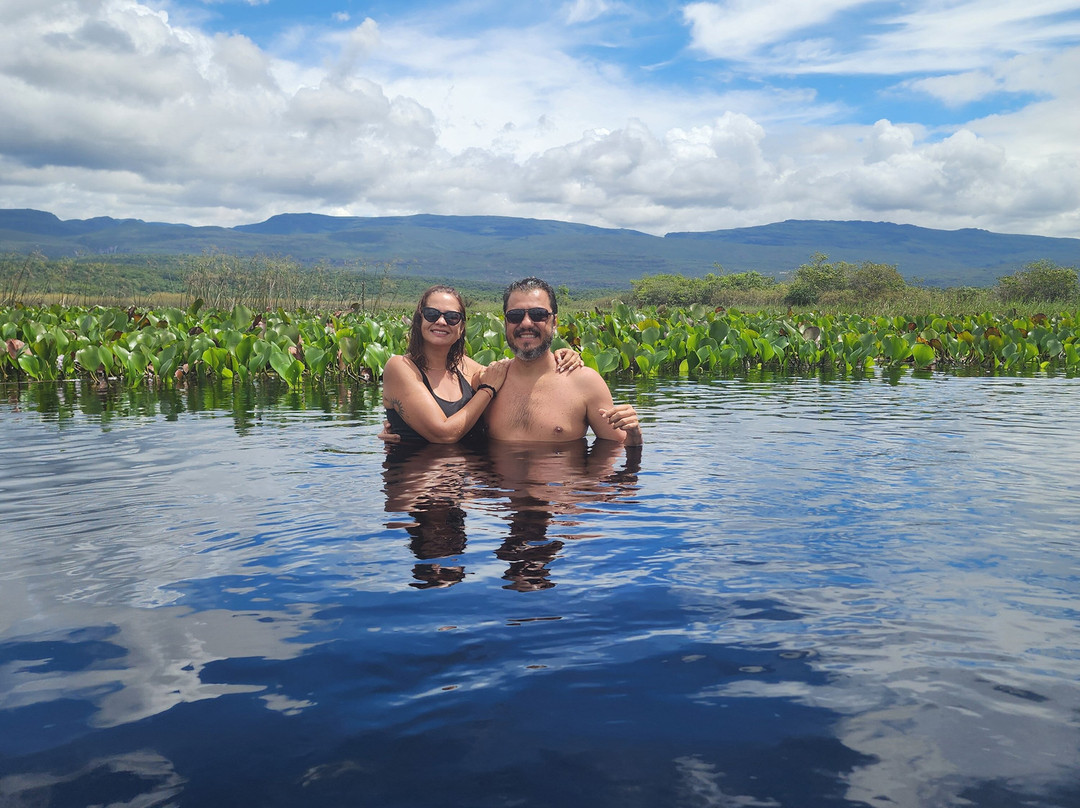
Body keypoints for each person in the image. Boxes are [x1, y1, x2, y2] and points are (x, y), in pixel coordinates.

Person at [380, 285, 581, 444]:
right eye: (432, 314)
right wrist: (487, 390)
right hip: (417, 488)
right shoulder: (400, 367)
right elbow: (444, 435)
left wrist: (562, 355)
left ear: (461, 327)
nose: (441, 322)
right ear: (419, 320)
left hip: (465, 489)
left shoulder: (469, 368)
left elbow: (518, 368)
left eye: (452, 317)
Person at [485, 277, 643, 445]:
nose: (526, 323)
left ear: (555, 322)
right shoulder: (487, 380)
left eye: (538, 314)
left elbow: (618, 447)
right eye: (515, 316)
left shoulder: (585, 382)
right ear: (505, 323)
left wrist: (634, 434)